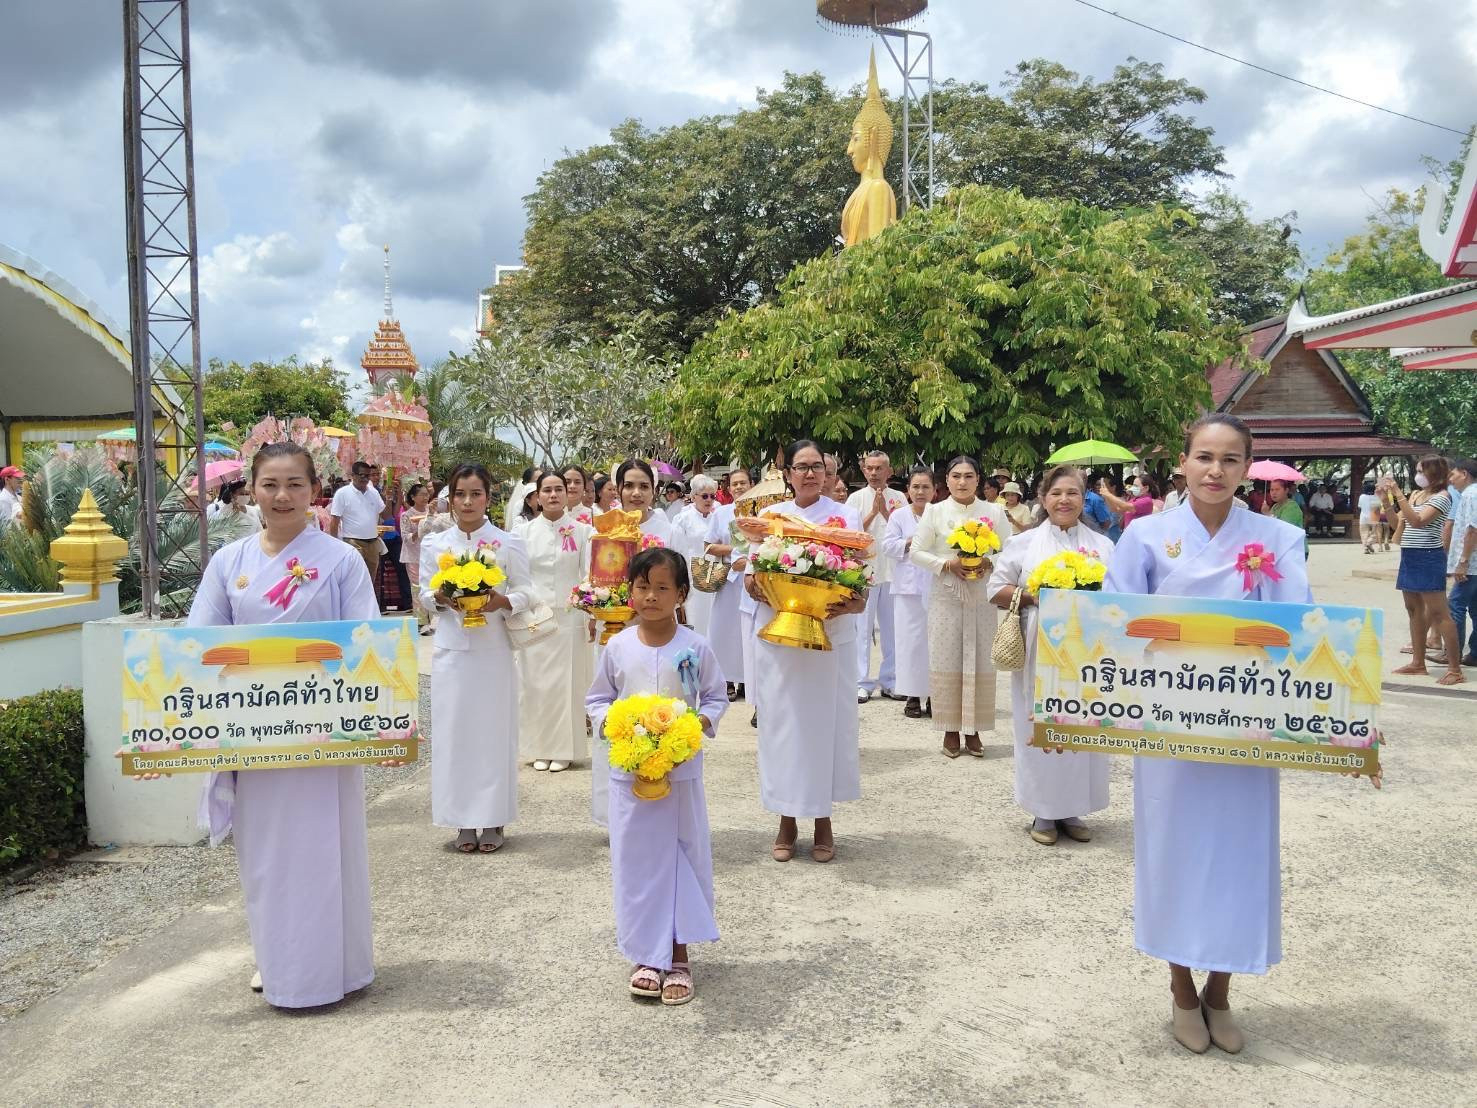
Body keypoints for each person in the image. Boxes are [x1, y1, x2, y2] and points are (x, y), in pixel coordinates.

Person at [1104, 412, 1315, 1056]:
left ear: (1247, 467)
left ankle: (1220, 990)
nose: (1215, 471)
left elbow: (1295, 623)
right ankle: (1178, 989)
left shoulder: (1277, 537)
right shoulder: (1145, 534)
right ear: (1183, 462)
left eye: (1229, 459)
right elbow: (1113, 621)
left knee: (1237, 853)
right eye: (1204, 457)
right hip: (1167, 725)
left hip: (1244, 722)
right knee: (1173, 849)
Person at [184, 442, 381, 1007]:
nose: (282, 496)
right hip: (256, 733)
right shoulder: (230, 563)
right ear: (252, 489)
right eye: (270, 484)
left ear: (314, 491)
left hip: (322, 733)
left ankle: (337, 964)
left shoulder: (341, 560)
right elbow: (200, 645)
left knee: (327, 847)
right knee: (267, 852)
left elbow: (366, 643)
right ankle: (277, 957)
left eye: (295, 484)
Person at [586, 547, 729, 1005]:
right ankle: (646, 954)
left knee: (683, 856)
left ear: (681, 594)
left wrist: (692, 728)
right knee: (638, 863)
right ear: (630, 591)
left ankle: (679, 954)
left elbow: (715, 698)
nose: (651, 597)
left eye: (662, 588)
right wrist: (618, 725)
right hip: (630, 777)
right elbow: (597, 700)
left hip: (681, 773)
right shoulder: (617, 646)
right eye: (643, 587)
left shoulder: (696, 646)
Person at [746, 440, 865, 863]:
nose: (810, 474)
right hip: (781, 636)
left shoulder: (846, 516)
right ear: (787, 473)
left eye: (818, 466)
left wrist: (854, 599)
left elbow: (862, 579)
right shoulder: (768, 517)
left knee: (826, 725)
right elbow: (750, 576)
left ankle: (822, 820)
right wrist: (768, 586)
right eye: (802, 467)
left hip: (830, 636)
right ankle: (786, 818)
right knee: (783, 726)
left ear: (829, 473)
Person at [988, 466, 1113, 844]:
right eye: (1056, 493)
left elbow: (1119, 595)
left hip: (1087, 651)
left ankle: (1072, 808)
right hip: (1039, 646)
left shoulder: (1102, 546)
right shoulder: (1025, 544)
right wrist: (1036, 597)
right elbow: (994, 588)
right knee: (1039, 722)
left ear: (1083, 498)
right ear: (1043, 499)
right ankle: (1043, 810)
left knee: (1081, 724)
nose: (1064, 500)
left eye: (1072, 493)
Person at [420, 463, 534, 852]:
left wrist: (501, 601)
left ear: (489, 497)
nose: (467, 502)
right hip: (451, 650)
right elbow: (422, 594)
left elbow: (527, 592)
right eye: (459, 495)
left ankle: (493, 817)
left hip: (493, 651)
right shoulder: (436, 546)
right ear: (449, 498)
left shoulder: (507, 542)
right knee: (454, 734)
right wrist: (440, 598)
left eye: (476, 494)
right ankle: (461, 820)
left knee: (492, 733)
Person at [909, 455, 1010, 758]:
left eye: (969, 476)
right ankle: (950, 730)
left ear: (979, 480)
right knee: (946, 660)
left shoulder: (995, 512)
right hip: (946, 594)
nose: (962, 482)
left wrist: (991, 562)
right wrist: (946, 564)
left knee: (980, 659)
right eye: (956, 476)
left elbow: (1010, 550)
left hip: (981, 595)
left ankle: (974, 730)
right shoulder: (935, 512)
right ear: (947, 480)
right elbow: (916, 551)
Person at [519, 471, 592, 773]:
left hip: (568, 619)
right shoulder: (523, 533)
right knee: (534, 686)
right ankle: (538, 747)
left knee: (567, 686)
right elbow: (518, 577)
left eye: (558, 489)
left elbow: (588, 575)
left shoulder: (581, 532)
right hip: (534, 620)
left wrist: (586, 608)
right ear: (536, 496)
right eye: (546, 490)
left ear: (567, 493)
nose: (552, 495)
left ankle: (564, 749)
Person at [1382, 457, 1463, 686]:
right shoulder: (1417, 495)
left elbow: (1418, 521)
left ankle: (1455, 668)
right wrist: (1387, 502)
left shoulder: (1443, 497)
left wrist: (1397, 493)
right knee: (1413, 609)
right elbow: (1397, 524)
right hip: (1410, 556)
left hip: (1429, 557)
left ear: (1434, 473)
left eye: (1421, 471)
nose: (1417, 475)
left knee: (1439, 613)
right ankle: (1418, 663)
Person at [847, 450, 907, 704]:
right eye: (869, 468)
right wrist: (873, 512)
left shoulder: (899, 498)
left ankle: (891, 680)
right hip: (865, 573)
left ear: (889, 472)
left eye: (879, 468)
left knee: (892, 630)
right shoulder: (854, 499)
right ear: (864, 470)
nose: (874, 473)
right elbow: (849, 535)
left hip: (893, 572)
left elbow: (905, 531)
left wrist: (885, 512)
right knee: (862, 629)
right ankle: (861, 682)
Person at [882, 465, 935, 719]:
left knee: (934, 643)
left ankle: (935, 695)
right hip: (906, 589)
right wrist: (910, 542)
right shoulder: (899, 516)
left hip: (936, 588)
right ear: (908, 490)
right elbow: (887, 545)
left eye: (926, 486)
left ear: (935, 490)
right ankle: (912, 695)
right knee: (909, 644)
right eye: (916, 486)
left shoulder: (940, 514)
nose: (920, 491)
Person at [704, 467, 753, 702]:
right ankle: (725, 680)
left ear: (751, 485)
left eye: (743, 483)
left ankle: (746, 679)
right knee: (723, 631)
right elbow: (708, 545)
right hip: (727, 578)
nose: (739, 487)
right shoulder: (721, 514)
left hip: (750, 579)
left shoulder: (760, 512)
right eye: (735, 484)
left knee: (747, 630)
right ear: (729, 488)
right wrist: (736, 550)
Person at [671, 474, 721, 635]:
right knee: (695, 620)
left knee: (715, 621)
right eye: (704, 496)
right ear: (693, 497)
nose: (709, 500)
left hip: (716, 573)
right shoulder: (683, 519)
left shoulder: (718, 518)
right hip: (692, 575)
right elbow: (677, 550)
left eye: (712, 496)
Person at [329, 461, 385, 588]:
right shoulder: (342, 493)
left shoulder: (374, 492)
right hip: (353, 543)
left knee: (369, 581)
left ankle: (366, 607)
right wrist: (333, 546)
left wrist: (391, 497)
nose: (365, 479)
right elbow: (334, 522)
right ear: (353, 475)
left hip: (373, 543)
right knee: (354, 579)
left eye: (368, 475)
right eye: (362, 475)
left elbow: (385, 515)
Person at [1446, 458, 1477, 667]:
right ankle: (1474, 653)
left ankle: (1453, 655)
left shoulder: (1471, 494)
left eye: (1453, 474)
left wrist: (1463, 561)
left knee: (1455, 605)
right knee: (1475, 607)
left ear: (1464, 473)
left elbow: (1472, 529)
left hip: (1471, 563)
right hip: (1472, 563)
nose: (1451, 479)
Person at [399, 482, 433, 633]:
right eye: (422, 495)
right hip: (413, 556)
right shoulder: (407, 515)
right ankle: (420, 621)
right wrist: (420, 529)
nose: (426, 497)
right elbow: (406, 538)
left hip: (431, 556)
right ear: (413, 497)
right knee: (417, 588)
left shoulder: (431, 513)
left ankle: (434, 619)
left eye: (427, 494)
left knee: (432, 586)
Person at [616, 459, 673, 545]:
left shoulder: (670, 533)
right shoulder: (601, 532)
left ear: (653, 491)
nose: (637, 493)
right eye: (628, 486)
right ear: (617, 490)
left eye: (644, 486)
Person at [1357, 480, 1383, 554]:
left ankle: (1365, 548)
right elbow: (1379, 507)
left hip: (1363, 516)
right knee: (1374, 533)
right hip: (1374, 516)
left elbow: (1359, 506)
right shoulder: (1377, 497)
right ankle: (1369, 543)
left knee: (1364, 533)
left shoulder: (1361, 496)